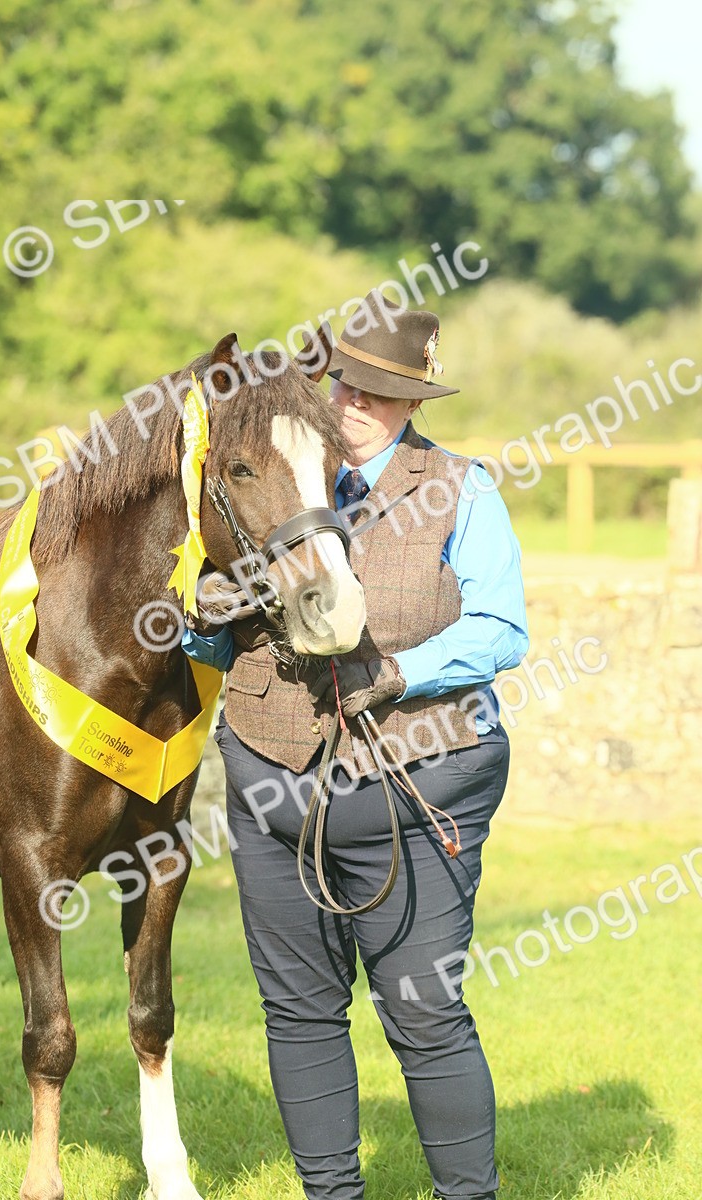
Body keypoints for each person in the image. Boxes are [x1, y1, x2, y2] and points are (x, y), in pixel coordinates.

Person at [182, 290, 529, 1200]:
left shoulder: (462, 487)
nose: (352, 404)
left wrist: (402, 673)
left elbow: (502, 629)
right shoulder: (277, 471)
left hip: (422, 781)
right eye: (343, 384)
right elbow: (222, 636)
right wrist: (202, 622)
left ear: (415, 401)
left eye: (377, 393)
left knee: (423, 1012)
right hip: (272, 780)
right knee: (298, 1015)